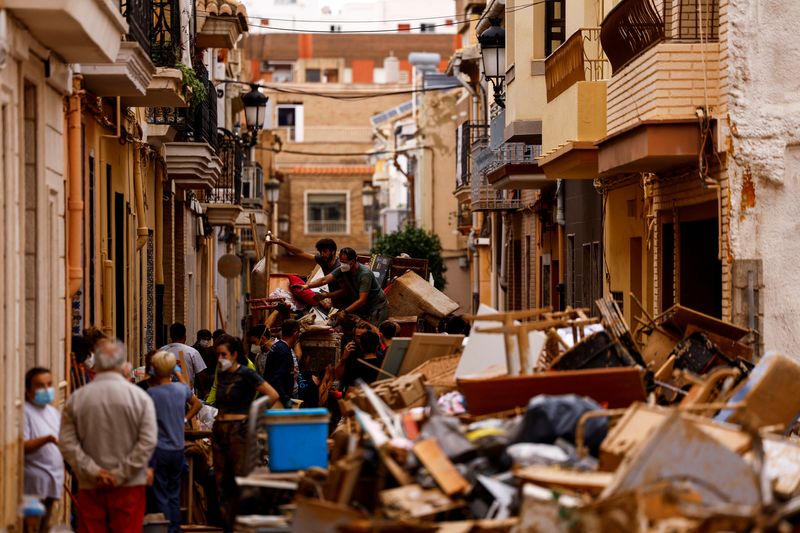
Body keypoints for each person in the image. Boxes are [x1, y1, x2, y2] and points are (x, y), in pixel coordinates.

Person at [59, 340, 157, 533]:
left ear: (97, 363)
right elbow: (148, 442)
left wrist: (94, 471)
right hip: (129, 484)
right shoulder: (140, 398)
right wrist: (121, 473)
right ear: (123, 363)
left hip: (91, 483)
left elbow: (67, 442)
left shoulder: (78, 399)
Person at [212, 334, 280, 532]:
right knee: (220, 481)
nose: (220, 359)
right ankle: (227, 523)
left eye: (223, 354)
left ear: (234, 354)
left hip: (238, 432)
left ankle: (241, 524)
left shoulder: (247, 374)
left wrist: (252, 415)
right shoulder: (221, 373)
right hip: (220, 430)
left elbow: (272, 394)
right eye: (217, 355)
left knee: (239, 479)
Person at [147, 351, 202, 533]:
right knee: (174, 494)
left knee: (161, 494)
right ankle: (176, 529)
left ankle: (167, 529)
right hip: (178, 448)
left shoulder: (152, 393)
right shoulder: (181, 390)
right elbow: (197, 404)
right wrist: (185, 419)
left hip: (160, 450)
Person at [23, 367, 64, 533]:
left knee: (47, 527)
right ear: (28, 390)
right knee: (32, 528)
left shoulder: (53, 412)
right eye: (40, 386)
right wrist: (47, 439)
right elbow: (24, 445)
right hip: (34, 484)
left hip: (54, 480)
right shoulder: (25, 412)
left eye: (49, 384)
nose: (46, 390)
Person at [303, 247, 389, 325]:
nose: (343, 264)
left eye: (345, 262)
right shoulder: (343, 269)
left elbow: (361, 300)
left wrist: (344, 312)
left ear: (354, 260)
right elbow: (324, 280)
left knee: (373, 330)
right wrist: (306, 286)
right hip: (364, 305)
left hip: (376, 305)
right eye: (341, 262)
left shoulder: (365, 275)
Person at [263, 319, 301, 407]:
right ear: (295, 334)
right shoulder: (283, 351)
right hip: (280, 399)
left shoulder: (278, 346)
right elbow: (276, 379)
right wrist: (286, 399)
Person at [159, 323, 207, 390]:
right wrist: (205, 391)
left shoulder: (161, 351)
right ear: (185, 336)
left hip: (166, 392)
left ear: (170, 336)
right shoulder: (192, 352)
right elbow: (201, 375)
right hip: (187, 394)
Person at [193, 329, 215, 399]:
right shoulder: (193, 351)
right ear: (198, 338)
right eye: (204, 339)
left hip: (205, 383)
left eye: (208, 339)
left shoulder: (209, 350)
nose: (206, 341)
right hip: (196, 383)